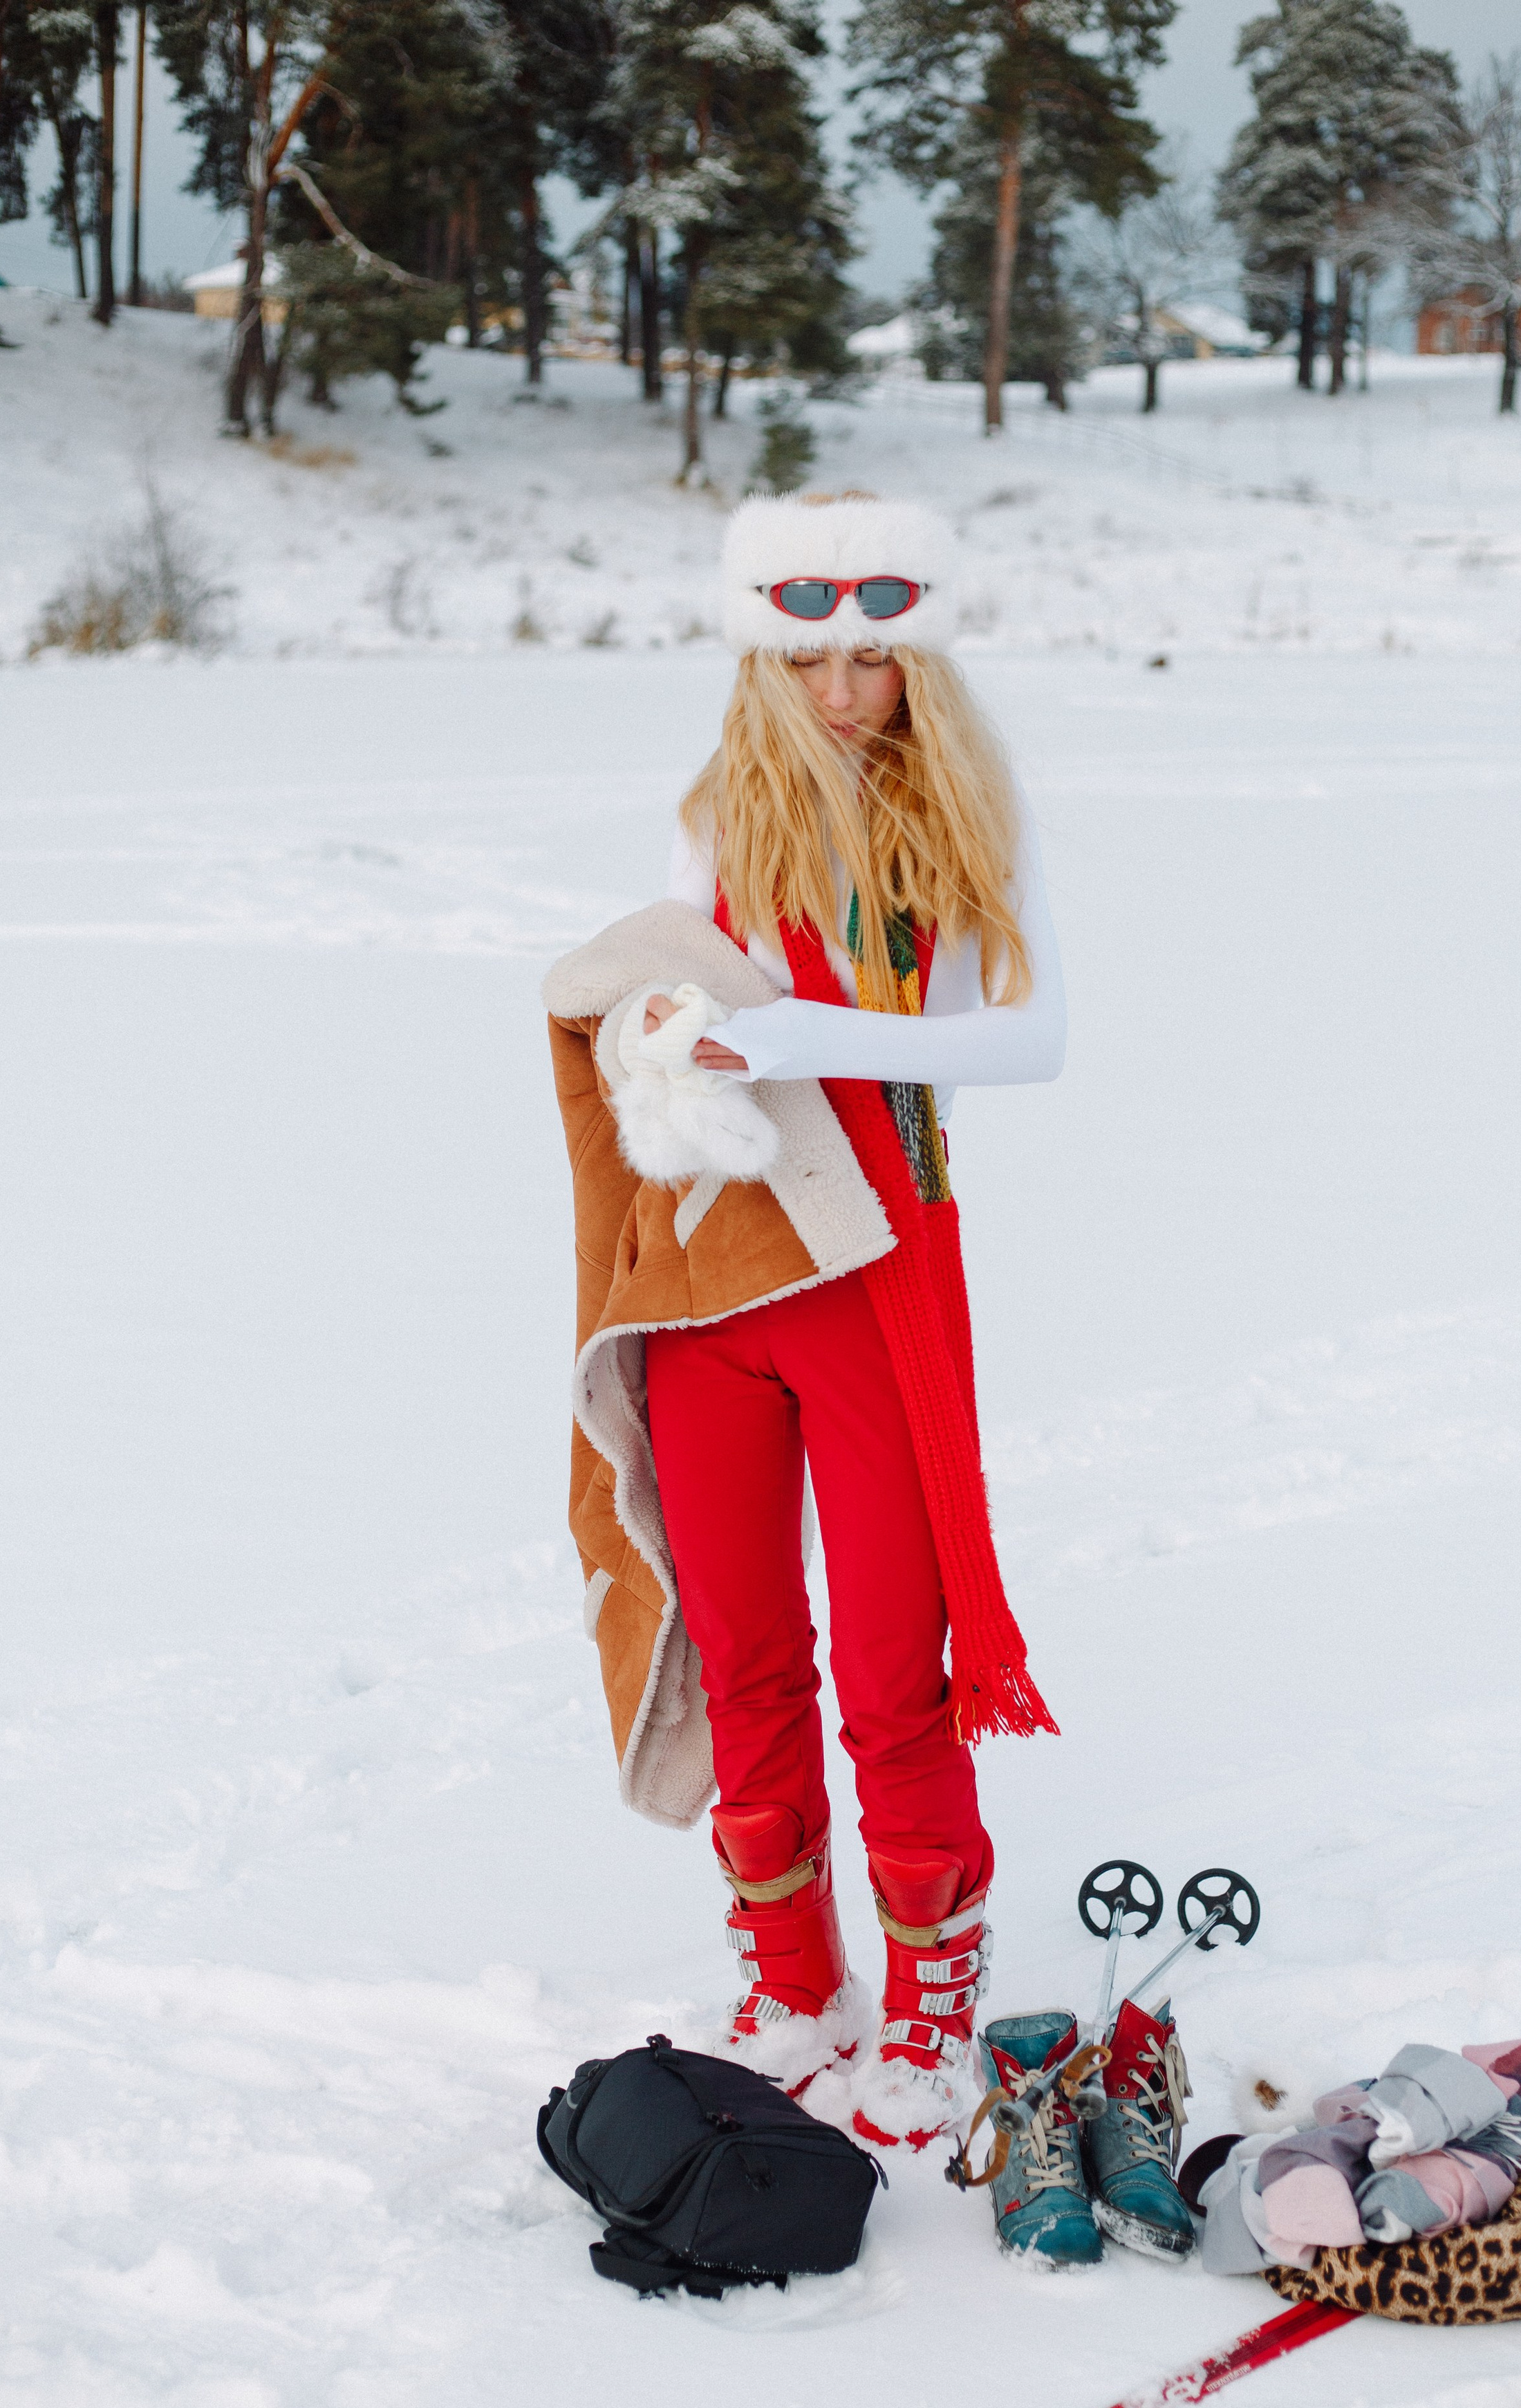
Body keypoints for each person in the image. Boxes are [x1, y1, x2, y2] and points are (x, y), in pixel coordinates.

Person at [542, 490, 1063, 2152]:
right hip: (714, 1275)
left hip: (881, 1270)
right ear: (762, 657)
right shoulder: (710, 817)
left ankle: (928, 1990)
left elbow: (1027, 1040)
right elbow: (658, 1006)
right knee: (746, 1640)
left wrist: (795, 1042)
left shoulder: (966, 818)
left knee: (893, 1663)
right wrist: (666, 1045)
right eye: (812, 655)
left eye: (878, 654)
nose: (847, 690)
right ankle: (788, 1977)